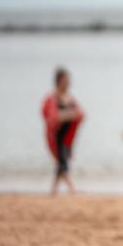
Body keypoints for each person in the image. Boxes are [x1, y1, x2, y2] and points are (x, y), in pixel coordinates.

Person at [41, 67, 84, 196]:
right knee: (63, 161)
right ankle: (72, 189)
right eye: (65, 80)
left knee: (61, 162)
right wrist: (69, 114)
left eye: (68, 80)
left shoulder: (70, 99)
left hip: (67, 136)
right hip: (56, 136)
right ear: (59, 81)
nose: (68, 83)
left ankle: (53, 190)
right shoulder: (52, 99)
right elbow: (52, 117)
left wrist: (67, 115)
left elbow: (80, 114)